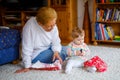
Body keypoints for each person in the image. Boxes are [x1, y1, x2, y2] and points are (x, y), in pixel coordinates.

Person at [15, 7, 67, 73]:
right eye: (49, 26)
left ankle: (57, 57)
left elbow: (56, 42)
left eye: (54, 24)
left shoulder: (53, 26)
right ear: (40, 23)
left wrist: (56, 52)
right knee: (64, 52)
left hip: (48, 47)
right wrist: (27, 66)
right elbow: (26, 48)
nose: (53, 27)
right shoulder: (29, 26)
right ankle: (55, 59)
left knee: (65, 49)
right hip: (36, 54)